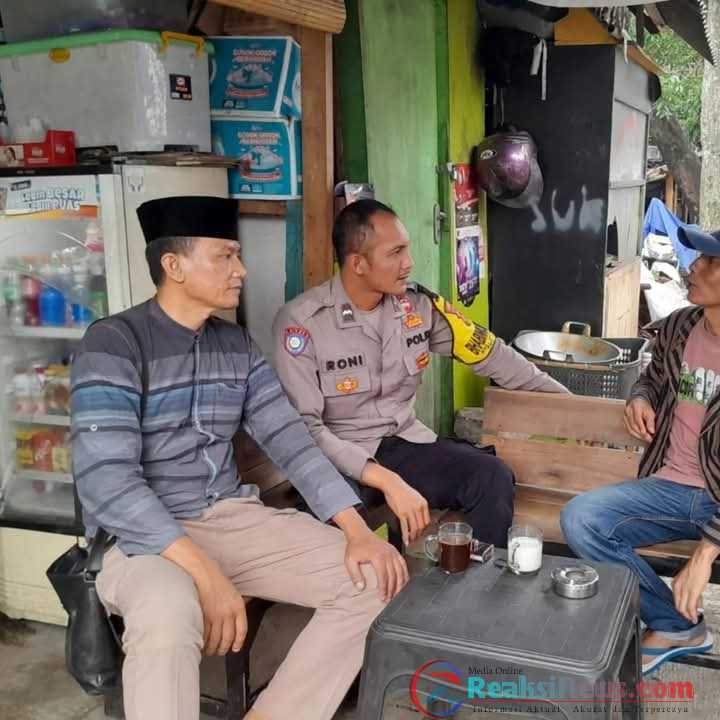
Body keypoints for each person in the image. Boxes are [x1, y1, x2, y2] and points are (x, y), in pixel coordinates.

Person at [71, 196, 407, 720]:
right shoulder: (113, 344)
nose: (241, 269)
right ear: (174, 265)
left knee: (373, 578)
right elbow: (108, 481)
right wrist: (206, 574)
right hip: (139, 539)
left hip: (231, 520)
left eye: (238, 255)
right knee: (168, 611)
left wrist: (356, 529)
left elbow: (289, 437)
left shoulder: (235, 345)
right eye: (225, 256)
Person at [272, 199, 567, 550]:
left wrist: (568, 402)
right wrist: (385, 480)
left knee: (491, 476)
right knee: (334, 525)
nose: (409, 262)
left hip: (403, 445)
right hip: (337, 457)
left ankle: (479, 581)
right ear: (358, 264)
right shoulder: (302, 323)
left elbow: (492, 355)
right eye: (395, 252)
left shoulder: (418, 306)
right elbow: (306, 429)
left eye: (407, 249)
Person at [561, 226, 720, 675]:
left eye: (710, 262)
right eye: (698, 257)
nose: (693, 267)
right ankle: (676, 624)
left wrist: (706, 552)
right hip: (670, 490)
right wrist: (639, 397)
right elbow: (650, 376)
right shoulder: (681, 326)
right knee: (581, 518)